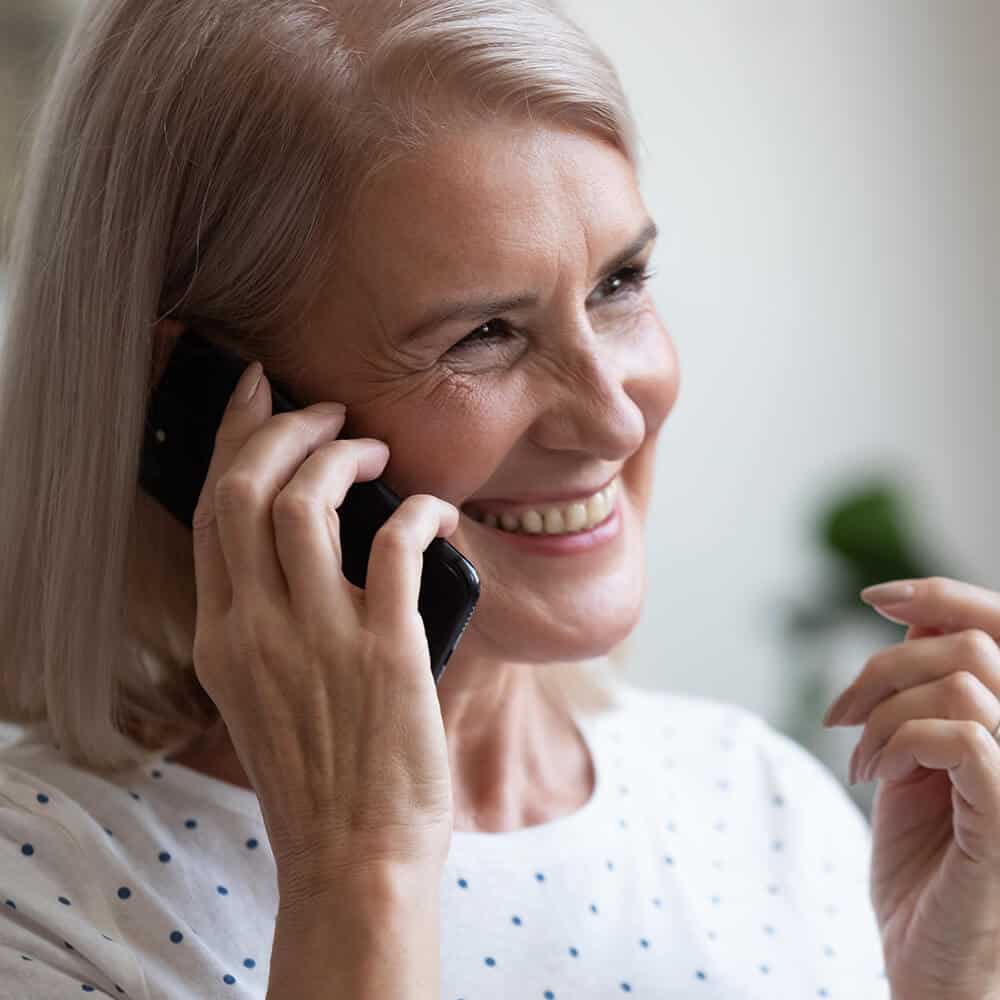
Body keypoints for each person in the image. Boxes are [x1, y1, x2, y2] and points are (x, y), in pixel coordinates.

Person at [3, 1, 1000, 998]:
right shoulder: (40, 889)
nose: (613, 419)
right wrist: (360, 875)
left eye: (620, 281)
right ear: (199, 393)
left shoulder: (759, 802)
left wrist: (957, 976)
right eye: (483, 332)